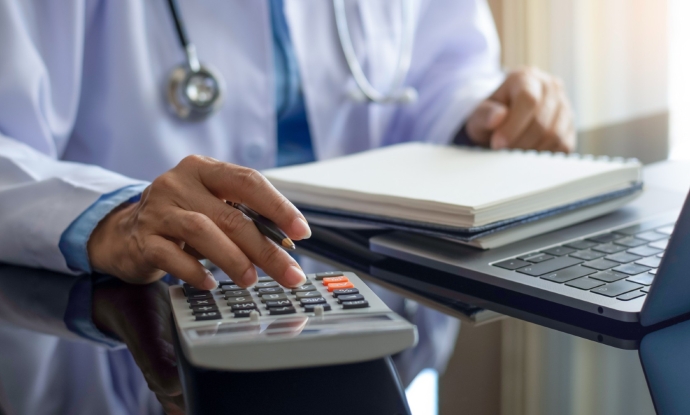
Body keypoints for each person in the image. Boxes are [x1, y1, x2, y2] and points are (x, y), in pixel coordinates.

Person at [0, 0, 574, 413]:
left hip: (376, 334)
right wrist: (115, 213)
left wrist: (483, 111)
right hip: (128, 342)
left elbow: (443, 65)